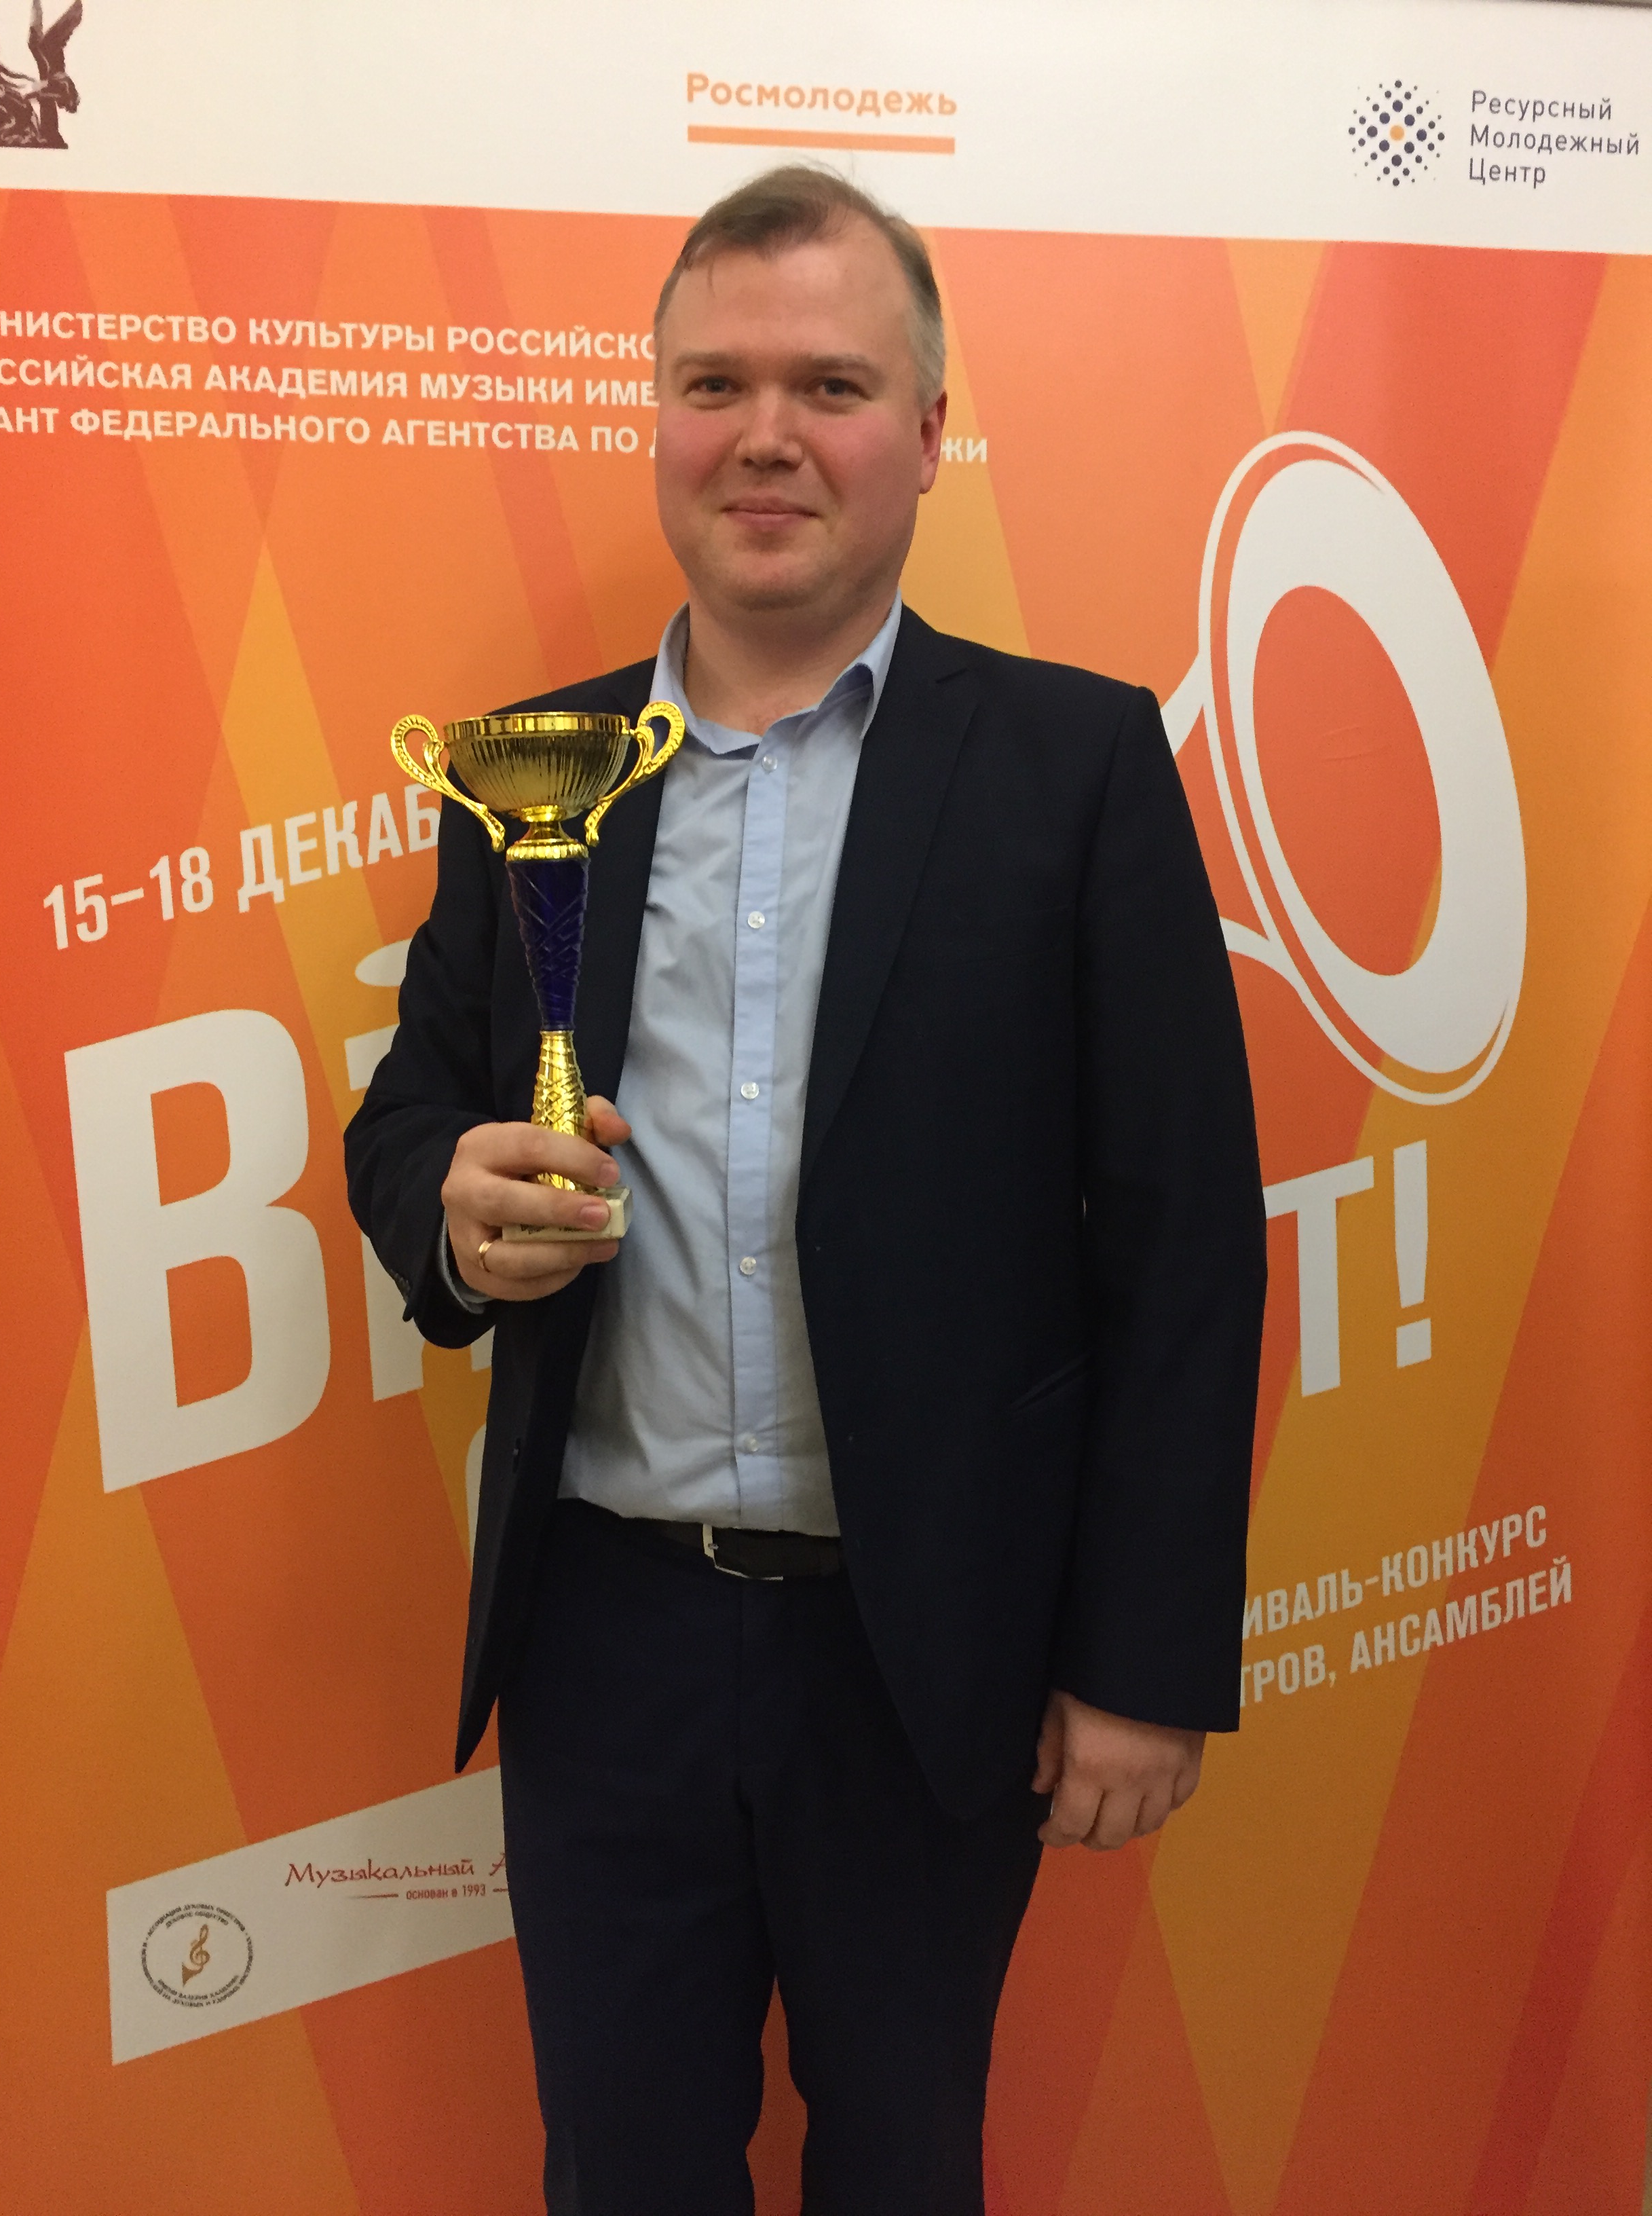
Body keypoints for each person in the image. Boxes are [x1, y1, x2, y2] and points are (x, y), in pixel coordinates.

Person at [346, 164, 1266, 2215]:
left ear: (928, 433)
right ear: (658, 420)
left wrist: (1141, 1659)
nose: (766, 435)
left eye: (832, 386)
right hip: (604, 1640)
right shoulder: (531, 767)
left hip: (929, 1647)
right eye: (716, 384)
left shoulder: (1077, 769)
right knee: (626, 2170)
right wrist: (449, 1211)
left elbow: (1185, 1248)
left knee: (906, 2163)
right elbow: (411, 1110)